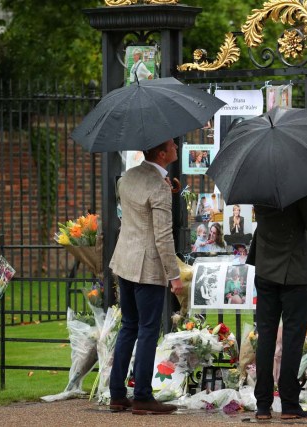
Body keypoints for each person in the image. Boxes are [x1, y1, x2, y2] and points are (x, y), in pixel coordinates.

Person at [108, 138, 183, 415]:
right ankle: (142, 395)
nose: (176, 146)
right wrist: (174, 276)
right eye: (172, 145)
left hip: (124, 261)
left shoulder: (128, 177)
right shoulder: (158, 187)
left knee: (129, 326)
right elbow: (163, 236)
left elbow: (138, 212)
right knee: (148, 330)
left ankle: (117, 394)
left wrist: (167, 190)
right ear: (162, 154)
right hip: (147, 267)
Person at [246, 189, 307, 420]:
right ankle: (290, 402)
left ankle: (263, 404)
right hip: (294, 272)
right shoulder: (299, 189)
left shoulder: (260, 187)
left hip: (265, 267)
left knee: (266, 336)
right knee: (293, 337)